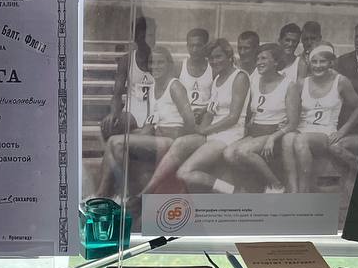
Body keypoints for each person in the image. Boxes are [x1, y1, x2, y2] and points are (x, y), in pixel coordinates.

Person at [143, 38, 248, 195]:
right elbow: (211, 111)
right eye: (211, 58)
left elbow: (233, 117)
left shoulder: (239, 77)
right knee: (180, 143)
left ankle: (234, 191)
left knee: (184, 173)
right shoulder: (218, 79)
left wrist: (204, 131)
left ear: (229, 56)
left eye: (218, 56)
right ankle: (147, 191)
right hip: (214, 132)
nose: (214, 61)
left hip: (230, 133)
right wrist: (200, 129)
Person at [94, 45, 196, 201]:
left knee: (116, 142)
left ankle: (106, 194)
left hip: (171, 141)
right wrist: (142, 133)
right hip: (158, 136)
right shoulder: (154, 87)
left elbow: (190, 121)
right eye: (152, 62)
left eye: (160, 62)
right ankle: (118, 194)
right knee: (115, 144)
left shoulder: (174, 86)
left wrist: (177, 140)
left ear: (169, 65)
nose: (155, 66)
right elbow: (152, 120)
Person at [281, 44, 358, 192]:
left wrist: (342, 132)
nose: (318, 66)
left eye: (323, 61)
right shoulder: (302, 83)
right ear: (309, 63)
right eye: (314, 62)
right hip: (303, 128)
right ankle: (293, 190)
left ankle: (303, 191)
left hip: (325, 132)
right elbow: (294, 109)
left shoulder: (340, 81)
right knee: (287, 139)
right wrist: (287, 120)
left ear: (330, 62)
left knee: (300, 139)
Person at [221, 42, 296, 191]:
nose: (259, 62)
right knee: (228, 154)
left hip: (275, 133)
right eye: (258, 59)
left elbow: (293, 123)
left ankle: (277, 185)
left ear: (276, 61)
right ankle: (258, 182)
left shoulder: (288, 85)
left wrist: (272, 138)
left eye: (264, 58)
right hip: (255, 132)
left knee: (244, 151)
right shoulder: (254, 81)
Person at [99, 16, 157, 141]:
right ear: (136, 38)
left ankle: (136, 143)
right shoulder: (127, 60)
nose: (148, 41)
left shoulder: (161, 58)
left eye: (151, 36)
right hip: (133, 111)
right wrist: (114, 113)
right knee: (108, 126)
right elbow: (117, 94)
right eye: (144, 37)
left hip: (156, 110)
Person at [179, 28, 211, 121]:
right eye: (191, 46)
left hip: (206, 115)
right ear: (187, 46)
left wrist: (204, 110)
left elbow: (218, 98)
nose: (194, 50)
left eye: (198, 45)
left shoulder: (213, 68)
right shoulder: (179, 67)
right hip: (183, 115)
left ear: (206, 46)